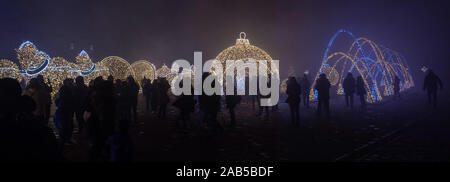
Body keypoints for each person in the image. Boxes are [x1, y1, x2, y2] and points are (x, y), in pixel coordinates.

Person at [55, 78, 75, 147]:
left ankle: (66, 139)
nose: (72, 83)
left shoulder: (66, 89)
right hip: (66, 109)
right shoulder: (65, 89)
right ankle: (64, 139)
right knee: (66, 125)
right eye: (71, 82)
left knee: (67, 124)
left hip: (67, 109)